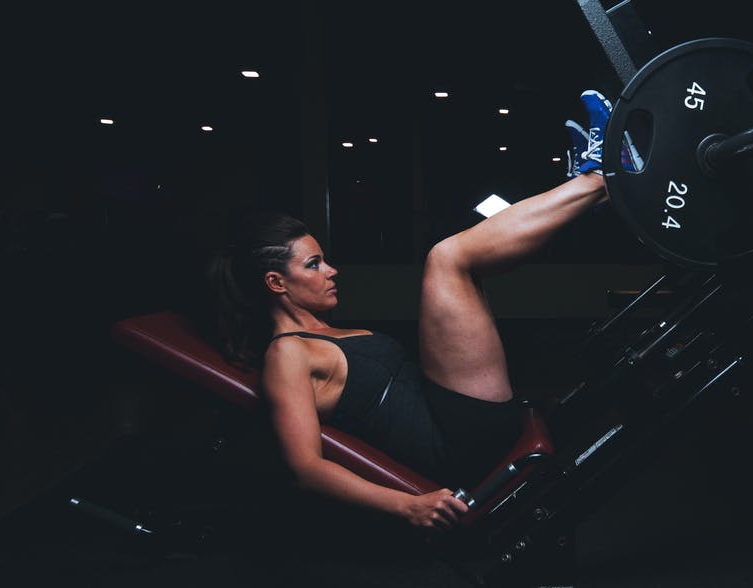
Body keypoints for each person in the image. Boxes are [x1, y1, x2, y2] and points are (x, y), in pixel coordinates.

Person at [207, 90, 632, 533]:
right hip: (457, 444)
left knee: (465, 267)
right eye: (314, 265)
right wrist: (406, 505)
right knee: (447, 260)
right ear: (276, 284)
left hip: (454, 418)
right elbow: (305, 467)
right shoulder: (287, 355)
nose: (332, 271)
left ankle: (588, 189)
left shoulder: (322, 333)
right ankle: (597, 178)